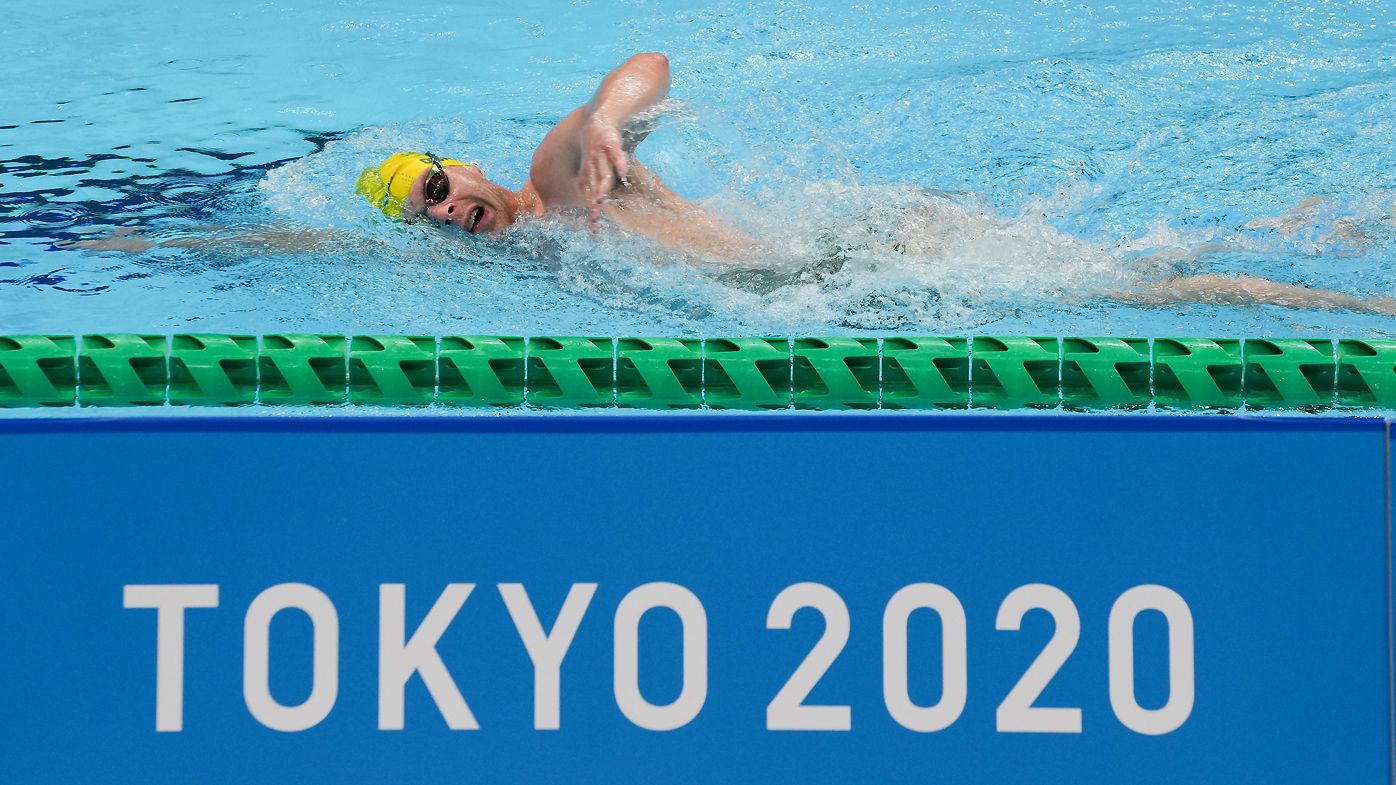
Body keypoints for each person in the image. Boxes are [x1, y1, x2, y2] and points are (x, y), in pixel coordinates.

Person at [353, 52, 1396, 317]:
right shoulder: (534, 251)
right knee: (1145, 265)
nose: (447, 209)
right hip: (846, 268)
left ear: (469, 162)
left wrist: (614, 119)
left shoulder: (557, 183)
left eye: (438, 182)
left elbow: (639, 70)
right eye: (428, 217)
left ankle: (1363, 305)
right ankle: (1334, 228)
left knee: (1133, 292)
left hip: (877, 258)